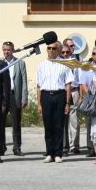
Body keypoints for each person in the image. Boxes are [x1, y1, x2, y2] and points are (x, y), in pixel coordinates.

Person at [36, 35, 73, 163]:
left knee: (59, 125)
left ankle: (58, 153)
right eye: (49, 48)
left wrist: (67, 103)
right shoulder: (41, 65)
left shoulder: (64, 65)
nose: (51, 50)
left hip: (59, 95)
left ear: (58, 50)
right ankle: (49, 153)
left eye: (53, 48)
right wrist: (39, 103)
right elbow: (39, 86)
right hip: (46, 95)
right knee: (48, 126)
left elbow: (68, 85)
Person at [1, 41, 27, 157]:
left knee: (16, 124)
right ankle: (1, 147)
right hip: (2, 97)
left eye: (9, 50)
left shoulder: (20, 62)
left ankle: (17, 147)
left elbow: (24, 81)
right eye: (5, 50)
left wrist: (24, 98)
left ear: (13, 50)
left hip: (14, 95)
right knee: (0, 123)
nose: (7, 52)